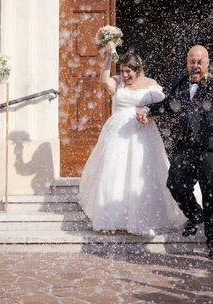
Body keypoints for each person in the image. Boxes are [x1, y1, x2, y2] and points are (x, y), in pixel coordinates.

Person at [136, 20, 213, 261]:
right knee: (175, 183)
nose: (195, 66)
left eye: (199, 62)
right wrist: (147, 109)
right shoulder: (180, 84)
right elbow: (168, 106)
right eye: (191, 62)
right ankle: (195, 215)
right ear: (187, 63)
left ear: (207, 63)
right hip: (187, 146)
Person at [78, 48, 185, 235]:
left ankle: (142, 218)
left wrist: (148, 115)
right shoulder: (118, 83)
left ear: (138, 70)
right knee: (114, 172)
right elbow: (104, 80)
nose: (125, 75)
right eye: (122, 71)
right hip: (116, 133)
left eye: (128, 71)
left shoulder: (150, 85)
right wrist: (109, 57)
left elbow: (160, 108)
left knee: (139, 173)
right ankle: (113, 217)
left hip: (141, 133)